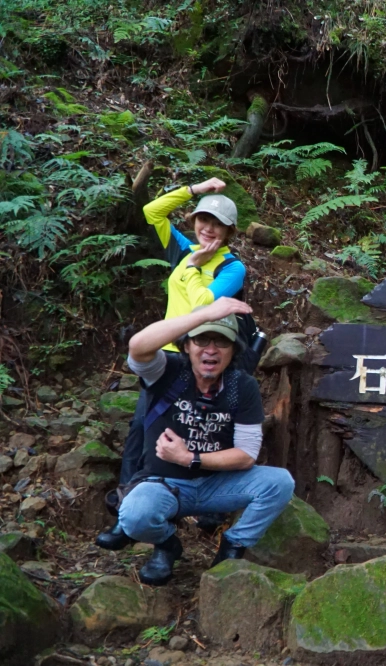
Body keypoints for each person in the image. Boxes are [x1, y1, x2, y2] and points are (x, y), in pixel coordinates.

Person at [97, 178, 247, 550]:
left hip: (203, 362)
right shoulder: (184, 248)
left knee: (202, 431)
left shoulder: (231, 268)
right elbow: (152, 211)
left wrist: (195, 265)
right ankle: (125, 513)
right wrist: (197, 188)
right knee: (140, 430)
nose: (207, 228)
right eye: (202, 219)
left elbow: (203, 307)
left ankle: (209, 509)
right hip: (165, 359)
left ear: (229, 231)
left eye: (216, 224)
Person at [116, 297, 294, 585]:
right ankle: (167, 544)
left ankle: (232, 546)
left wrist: (190, 458)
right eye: (201, 340)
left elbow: (247, 454)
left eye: (221, 342)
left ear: (233, 350)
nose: (211, 350)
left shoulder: (241, 386)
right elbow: (137, 346)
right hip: (164, 484)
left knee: (279, 482)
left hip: (216, 485)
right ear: (186, 345)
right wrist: (207, 314)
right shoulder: (167, 371)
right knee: (135, 515)